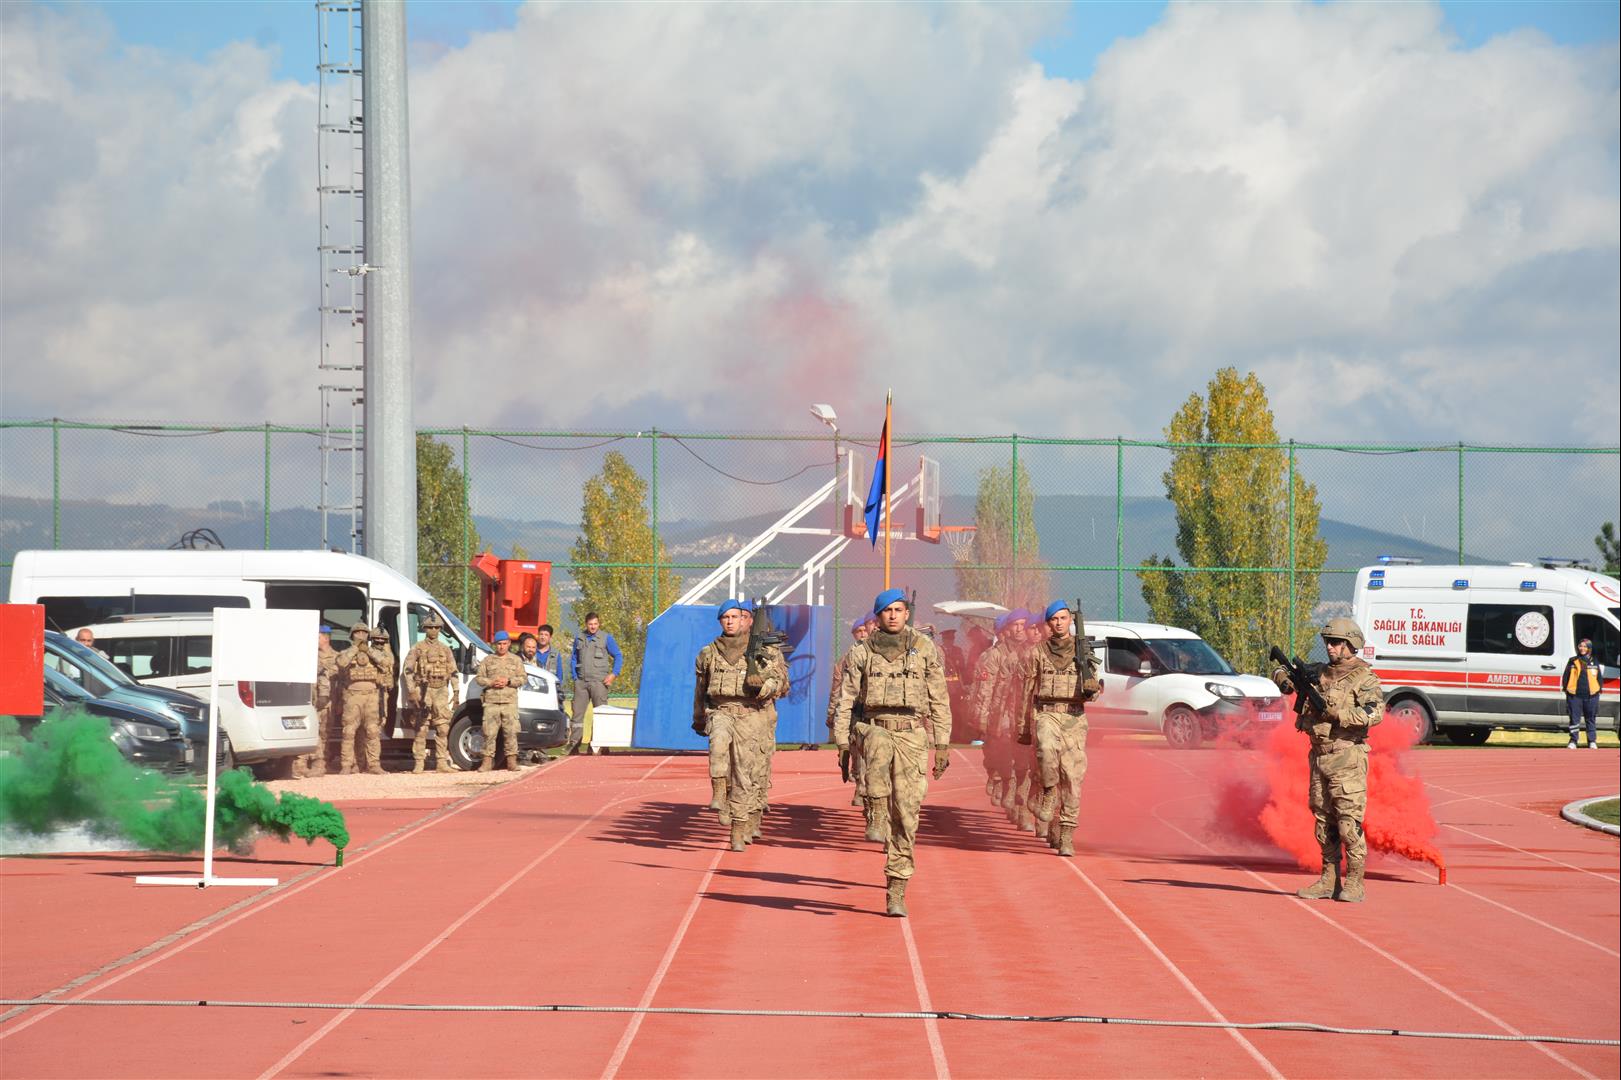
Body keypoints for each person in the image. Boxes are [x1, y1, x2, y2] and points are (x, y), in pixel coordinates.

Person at [832, 588, 953, 917]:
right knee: (875, 760)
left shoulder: (923, 648)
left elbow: (939, 699)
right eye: (887, 611)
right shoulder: (861, 652)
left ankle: (896, 885)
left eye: (899, 609)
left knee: (908, 815)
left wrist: (942, 743)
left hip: (912, 735)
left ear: (907, 613)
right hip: (875, 727)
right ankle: (875, 813)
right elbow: (846, 699)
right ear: (877, 616)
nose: (894, 615)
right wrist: (842, 742)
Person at [1272, 617, 1385, 904]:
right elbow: (1280, 671)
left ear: (1351, 645)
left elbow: (1375, 714)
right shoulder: (1320, 673)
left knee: (1348, 824)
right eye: (1327, 642)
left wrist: (1338, 715)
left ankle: (1355, 883)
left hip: (1347, 756)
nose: (1330, 647)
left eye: (1336, 642)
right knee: (1323, 823)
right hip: (1319, 755)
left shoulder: (1365, 678)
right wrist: (1283, 679)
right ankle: (1328, 879)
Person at [692, 599, 789, 849]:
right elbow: (700, 689)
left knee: (747, 773)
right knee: (718, 747)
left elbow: (781, 683)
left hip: (751, 715)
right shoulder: (708, 652)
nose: (732, 621)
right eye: (727, 617)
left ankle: (741, 824)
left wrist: (763, 688)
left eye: (737, 617)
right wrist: (699, 718)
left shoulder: (762, 651)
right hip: (721, 711)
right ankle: (719, 794)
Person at [1019, 601, 1102, 857]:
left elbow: (1095, 689)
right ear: (1048, 624)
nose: (1058, 623)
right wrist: (1023, 725)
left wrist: (1092, 690)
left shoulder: (1083, 650)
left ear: (1070, 620)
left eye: (1063, 618)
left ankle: (1066, 833)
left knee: (1074, 781)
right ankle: (1048, 791)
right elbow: (1027, 691)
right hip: (1047, 713)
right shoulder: (1037, 652)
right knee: (1045, 750)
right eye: (1054, 619)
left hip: (1075, 718)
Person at [827, 617, 874, 813]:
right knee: (858, 753)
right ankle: (860, 787)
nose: (863, 633)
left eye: (866, 629)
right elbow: (838, 688)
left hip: (875, 711)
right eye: (859, 631)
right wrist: (832, 713)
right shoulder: (847, 658)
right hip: (856, 712)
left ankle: (869, 790)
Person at [404, 612, 460, 773]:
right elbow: (407, 670)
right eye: (430, 627)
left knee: (443, 728)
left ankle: (441, 762)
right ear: (425, 629)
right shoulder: (417, 648)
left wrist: (456, 692)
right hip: (424, 690)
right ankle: (419, 762)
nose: (434, 630)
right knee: (421, 728)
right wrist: (412, 691)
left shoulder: (445, 649)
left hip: (441, 690)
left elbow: (454, 671)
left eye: (436, 628)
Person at [335, 622, 392, 775]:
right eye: (357, 633)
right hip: (353, 697)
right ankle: (347, 765)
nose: (361, 635)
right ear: (352, 635)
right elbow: (341, 663)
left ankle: (374, 765)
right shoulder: (346, 652)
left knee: (373, 731)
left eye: (364, 633)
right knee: (348, 732)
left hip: (371, 697)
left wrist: (369, 651)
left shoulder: (374, 652)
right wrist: (355, 649)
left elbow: (387, 663)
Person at [570, 613, 622, 755]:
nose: (593, 627)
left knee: (600, 715)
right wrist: (575, 677)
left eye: (595, 624)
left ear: (599, 624)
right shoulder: (579, 638)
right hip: (581, 683)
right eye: (590, 624)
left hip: (600, 682)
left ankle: (598, 745)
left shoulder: (606, 638)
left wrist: (613, 674)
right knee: (577, 716)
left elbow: (618, 655)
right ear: (586, 624)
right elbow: (574, 658)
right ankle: (574, 744)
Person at [476, 630, 527, 771]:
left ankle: (511, 762)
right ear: (495, 645)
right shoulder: (488, 660)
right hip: (491, 702)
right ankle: (486, 762)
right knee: (489, 733)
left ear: (509, 644)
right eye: (499, 644)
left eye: (504, 644)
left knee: (511, 733)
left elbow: (523, 678)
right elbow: (479, 678)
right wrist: (491, 682)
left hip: (509, 702)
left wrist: (509, 681)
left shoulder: (516, 660)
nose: (502, 647)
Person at [293, 625, 339, 778]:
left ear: (326, 637)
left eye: (317, 637)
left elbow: (337, 678)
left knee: (324, 734)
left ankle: (321, 764)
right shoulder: (309, 656)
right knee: (308, 731)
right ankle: (301, 764)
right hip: (309, 699)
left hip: (327, 701)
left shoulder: (336, 657)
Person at [1563, 637, 1603, 750]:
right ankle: (1573, 740)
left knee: (1590, 718)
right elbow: (1566, 677)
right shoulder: (1572, 660)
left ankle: (1592, 741)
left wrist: (1598, 690)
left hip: (1591, 695)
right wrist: (1567, 690)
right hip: (1575, 695)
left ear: (1589, 648)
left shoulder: (1594, 661)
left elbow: (1599, 678)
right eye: (1580, 646)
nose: (1582, 648)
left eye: (1585, 646)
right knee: (1574, 719)